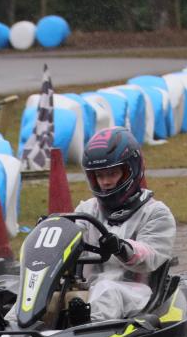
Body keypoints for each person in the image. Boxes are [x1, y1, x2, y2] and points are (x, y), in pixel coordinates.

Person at [75, 126, 176, 322]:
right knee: (47, 293)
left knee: (107, 290)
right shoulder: (86, 211)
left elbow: (151, 256)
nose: (105, 182)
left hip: (137, 292)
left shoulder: (155, 213)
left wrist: (121, 248)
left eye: (112, 173)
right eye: (99, 175)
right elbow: (70, 236)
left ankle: (87, 331)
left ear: (131, 170)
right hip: (88, 289)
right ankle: (15, 328)